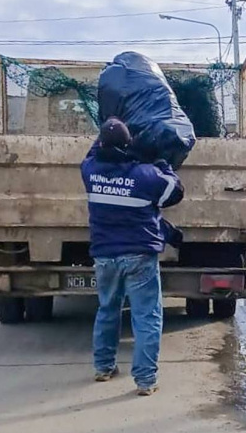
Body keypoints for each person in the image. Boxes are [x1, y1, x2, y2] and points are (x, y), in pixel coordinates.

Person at [81, 117, 184, 396]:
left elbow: (93, 152)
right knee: (147, 316)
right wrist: (162, 164)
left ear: (101, 144)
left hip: (104, 256)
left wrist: (110, 126)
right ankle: (145, 381)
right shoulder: (145, 176)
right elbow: (175, 191)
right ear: (128, 146)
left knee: (107, 309)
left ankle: (103, 367)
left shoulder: (89, 171)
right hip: (139, 256)